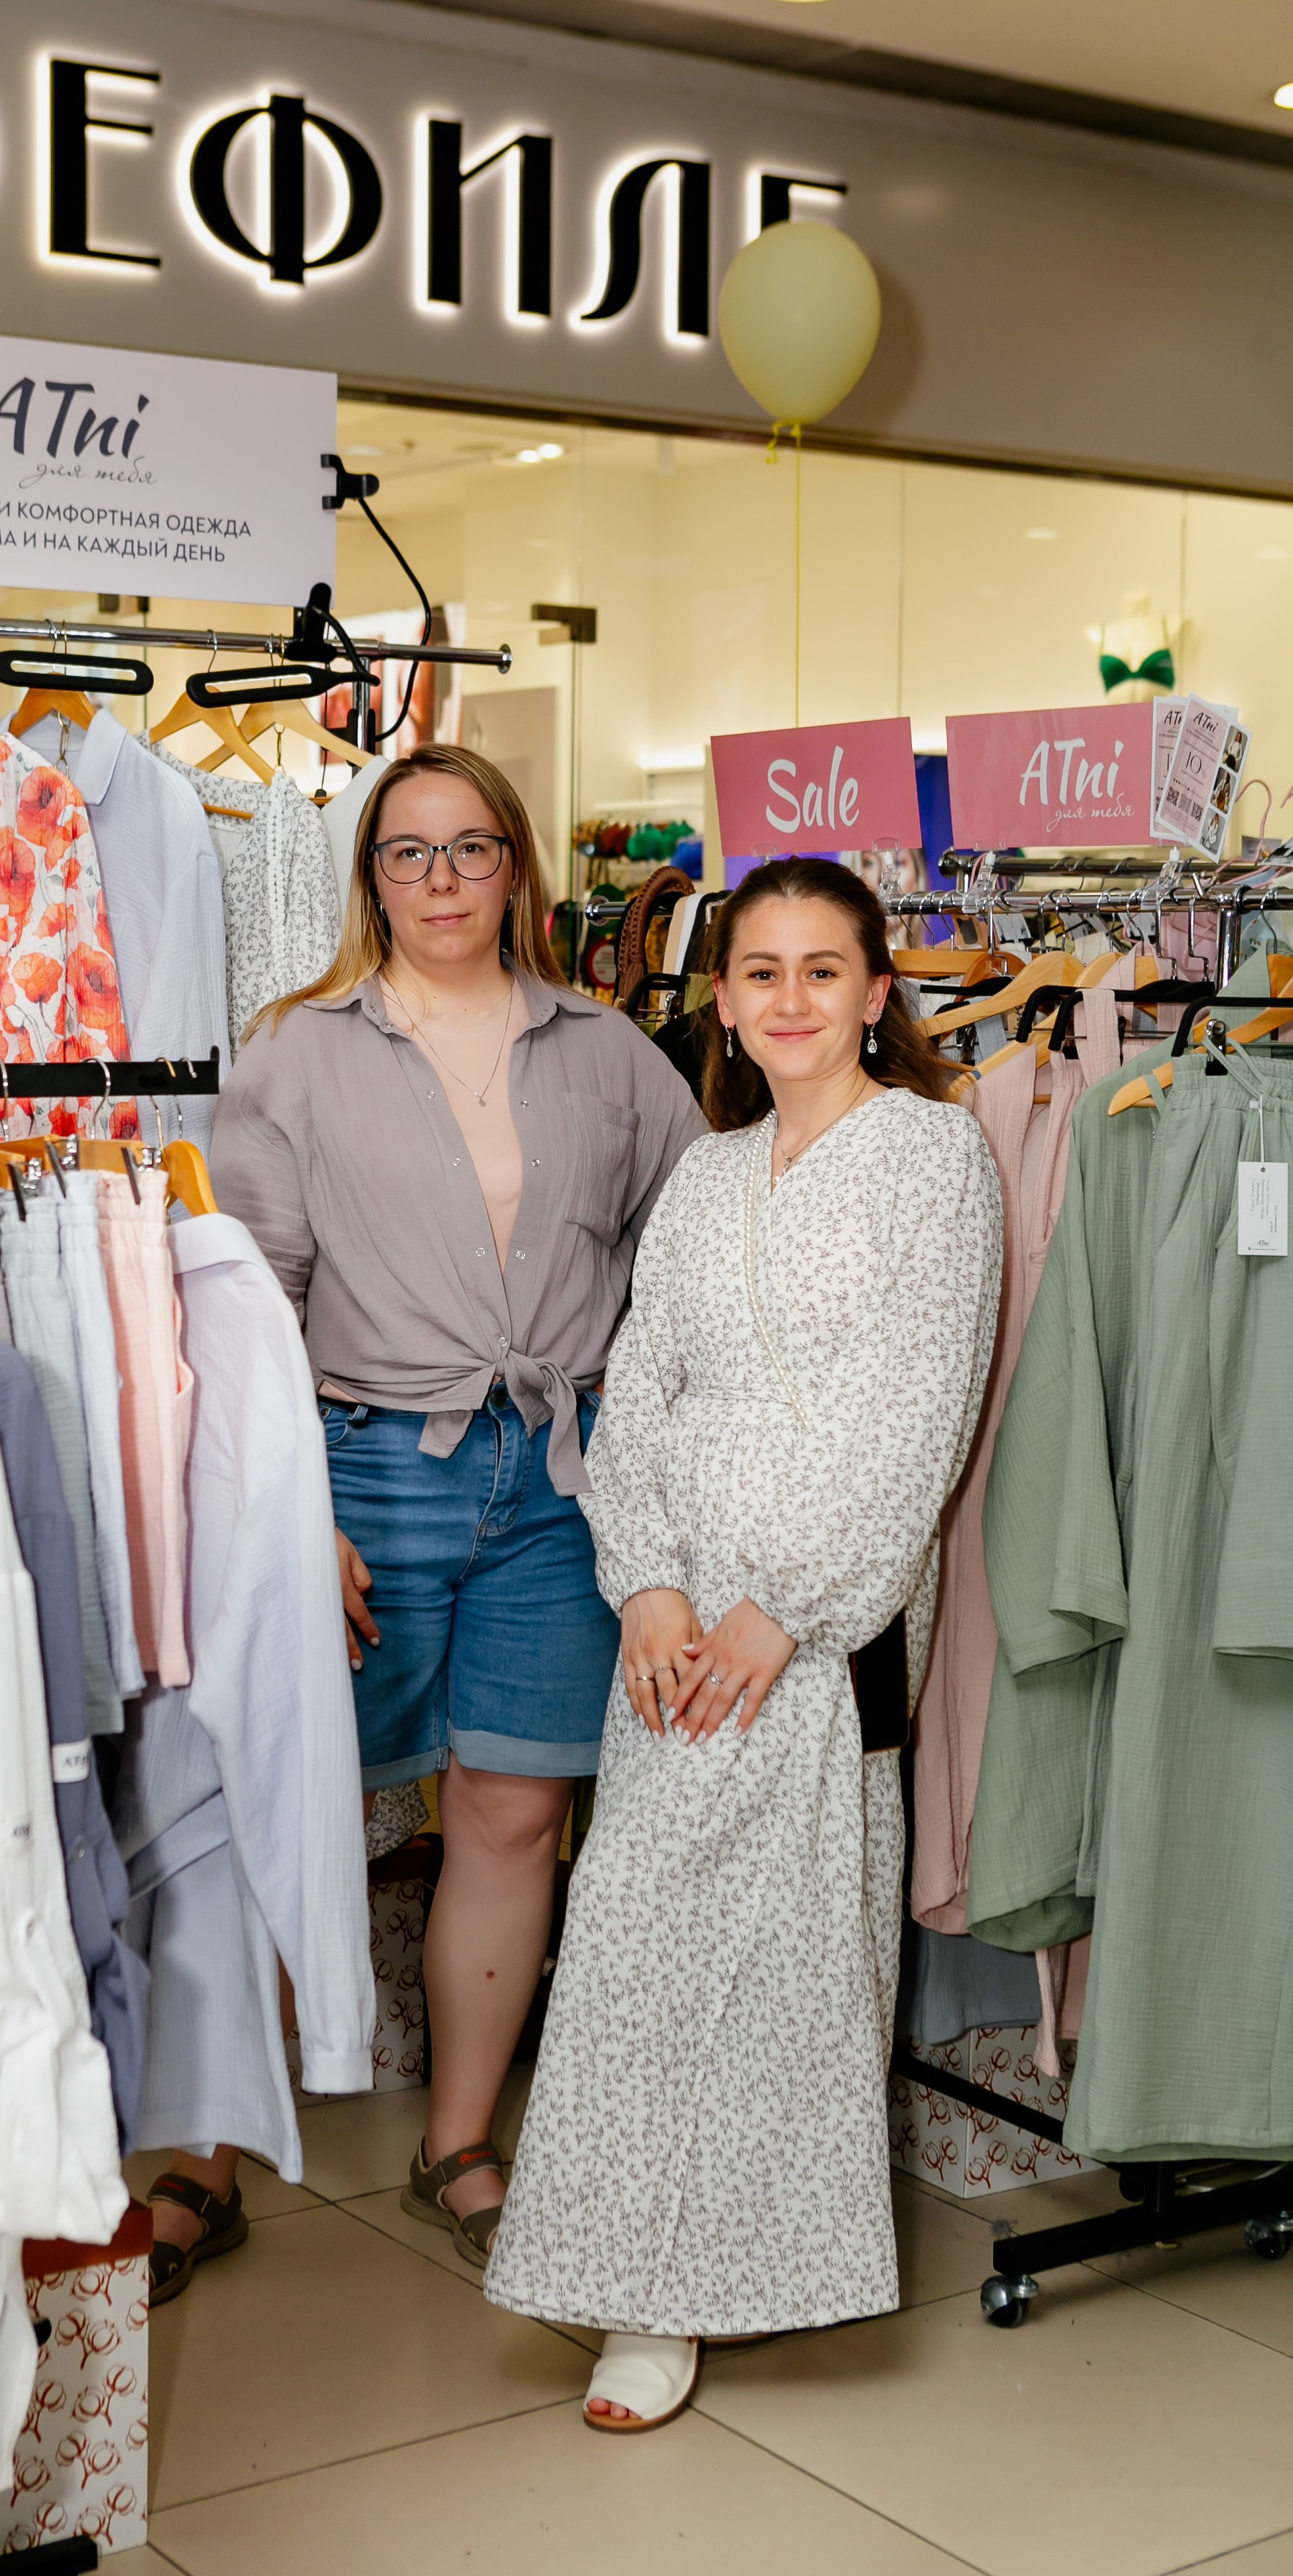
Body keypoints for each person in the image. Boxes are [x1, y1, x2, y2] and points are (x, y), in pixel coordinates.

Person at [136, 742, 708, 2297]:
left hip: (561, 1481)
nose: (441, 881)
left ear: (515, 869)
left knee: (512, 1808)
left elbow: (689, 1258)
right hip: (363, 1466)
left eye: (470, 851)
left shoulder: (608, 1055)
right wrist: (289, 1517)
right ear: (367, 876)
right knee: (275, 1802)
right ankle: (207, 2149)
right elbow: (246, 1306)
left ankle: (457, 2139)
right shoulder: (296, 1052)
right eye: (407, 853)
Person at [485, 857, 1002, 2429]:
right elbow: (635, 1394)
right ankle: (636, 2280)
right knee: (638, 1948)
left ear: (872, 991)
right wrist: (641, 1582)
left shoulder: (936, 1160)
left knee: (783, 1964)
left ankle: (728, 2279)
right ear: (718, 1000)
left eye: (821, 970)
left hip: (814, 1630)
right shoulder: (705, 1176)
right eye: (759, 972)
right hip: (670, 1633)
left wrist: (790, 1606)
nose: (789, 999)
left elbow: (918, 1401)